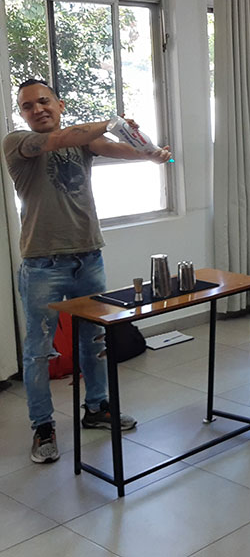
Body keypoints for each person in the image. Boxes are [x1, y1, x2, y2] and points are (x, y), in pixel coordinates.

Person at [2, 79, 172, 464]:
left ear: (60, 104)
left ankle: (96, 408)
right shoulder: (18, 142)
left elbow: (111, 148)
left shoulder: (83, 141)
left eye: (44, 101)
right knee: (39, 351)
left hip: (89, 257)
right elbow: (62, 139)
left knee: (94, 342)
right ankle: (43, 427)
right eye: (28, 106)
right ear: (22, 114)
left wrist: (149, 154)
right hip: (42, 263)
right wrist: (111, 121)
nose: (37, 109)